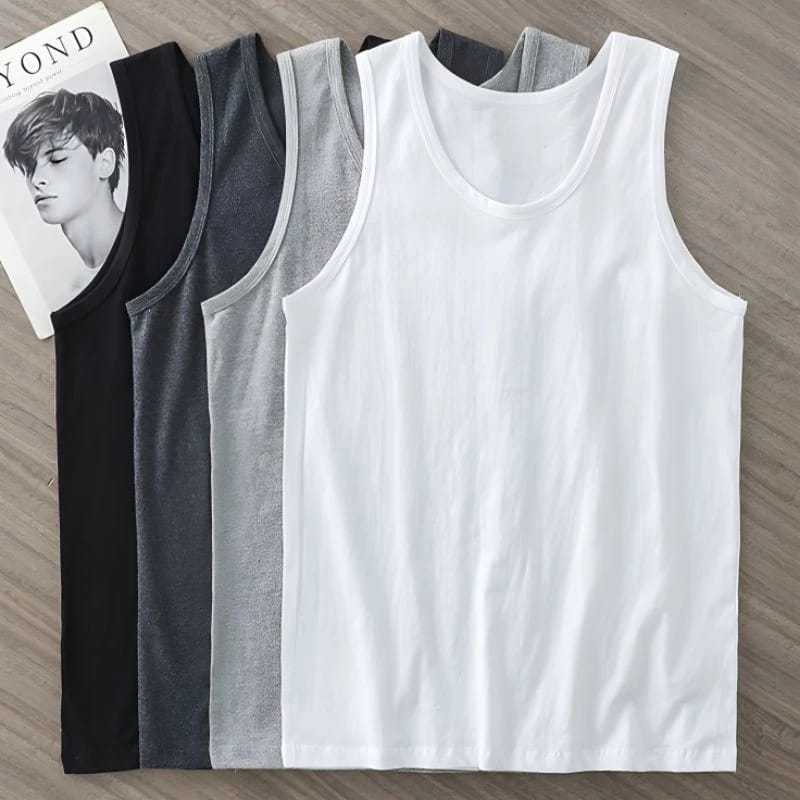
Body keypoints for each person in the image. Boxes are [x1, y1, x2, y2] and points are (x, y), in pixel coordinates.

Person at [3, 88, 125, 269]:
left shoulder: (153, 239)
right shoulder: (52, 271)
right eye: (29, 167)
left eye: (56, 159)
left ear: (105, 163)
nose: (36, 179)